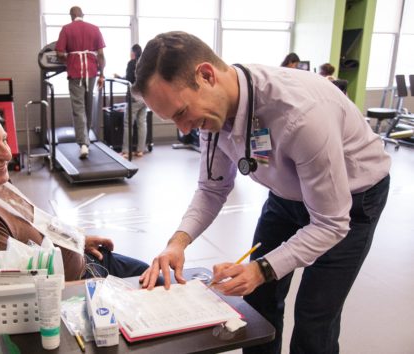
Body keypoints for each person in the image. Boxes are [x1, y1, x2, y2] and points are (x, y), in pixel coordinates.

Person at [132, 32, 390, 354]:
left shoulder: (301, 115)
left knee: (315, 315)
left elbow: (330, 223)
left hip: (351, 200)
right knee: (258, 301)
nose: (185, 129)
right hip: (286, 196)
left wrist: (262, 268)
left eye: (182, 113)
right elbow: (212, 188)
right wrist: (177, 243)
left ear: (207, 75)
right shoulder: (214, 114)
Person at [0, 101, 148, 281]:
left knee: (152, 275)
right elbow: (25, 291)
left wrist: (77, 240)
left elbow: (32, 224)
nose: (7, 154)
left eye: (3, 139)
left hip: (85, 257)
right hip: (81, 283)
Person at [55, 6, 106, 159]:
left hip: (76, 73)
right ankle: (87, 138)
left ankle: (83, 143)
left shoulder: (66, 29)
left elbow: (59, 53)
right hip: (91, 72)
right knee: (88, 106)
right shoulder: (95, 29)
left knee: (78, 108)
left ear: (71, 16)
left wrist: (69, 59)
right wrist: (102, 74)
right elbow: (101, 55)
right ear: (82, 15)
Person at [114, 44, 147, 158]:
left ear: (133, 53)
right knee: (142, 122)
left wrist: (118, 77)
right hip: (145, 97)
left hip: (134, 97)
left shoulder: (131, 63)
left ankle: (125, 151)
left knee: (128, 123)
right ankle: (140, 150)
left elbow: (128, 79)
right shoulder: (145, 64)